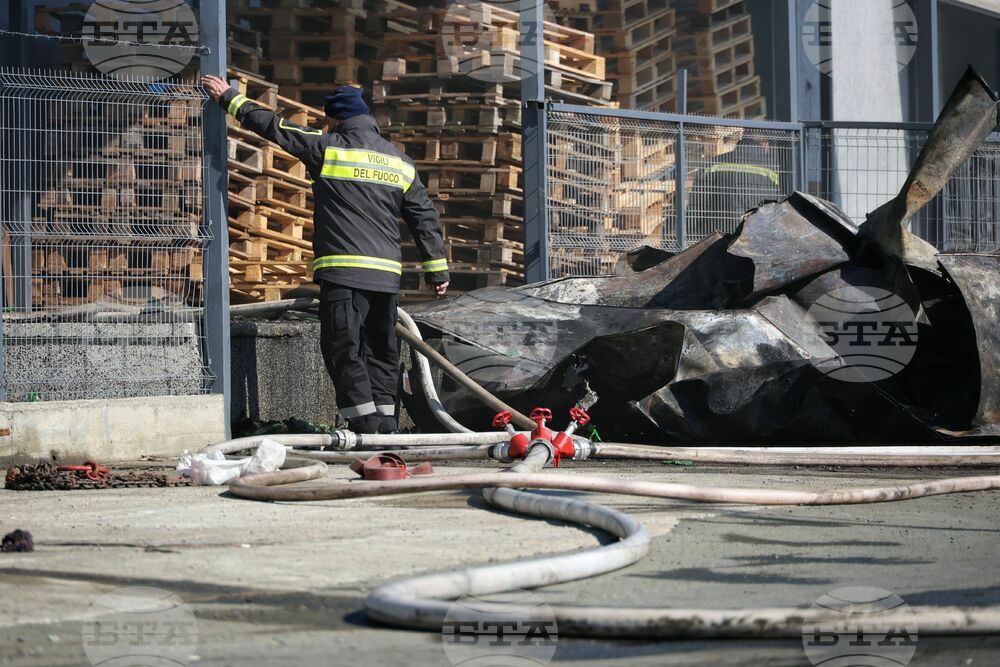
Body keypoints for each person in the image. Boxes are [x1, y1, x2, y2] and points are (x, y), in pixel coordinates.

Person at [201, 75, 450, 434]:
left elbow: (276, 127)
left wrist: (230, 99)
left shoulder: (328, 147)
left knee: (343, 347)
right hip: (386, 279)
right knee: (382, 351)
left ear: (335, 120)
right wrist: (437, 271)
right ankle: (385, 426)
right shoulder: (401, 162)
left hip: (344, 273)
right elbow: (425, 217)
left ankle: (363, 424)